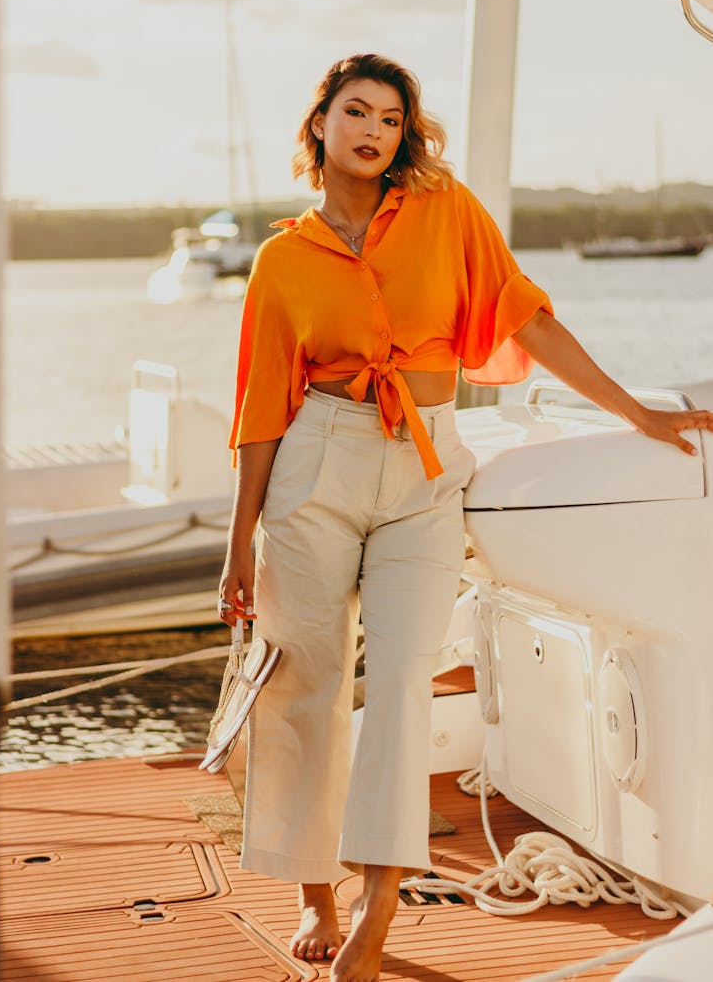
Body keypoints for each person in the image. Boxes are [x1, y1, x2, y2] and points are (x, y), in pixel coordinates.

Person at [217, 53, 713, 982]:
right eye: (356, 112)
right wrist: (238, 542)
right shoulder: (283, 258)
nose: (374, 130)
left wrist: (633, 412)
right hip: (314, 461)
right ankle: (312, 887)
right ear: (319, 124)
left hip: (425, 466)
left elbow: (528, 317)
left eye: (393, 118)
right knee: (303, 685)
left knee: (402, 677)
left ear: (406, 134)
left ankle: (379, 901)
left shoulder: (448, 213)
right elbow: (258, 411)